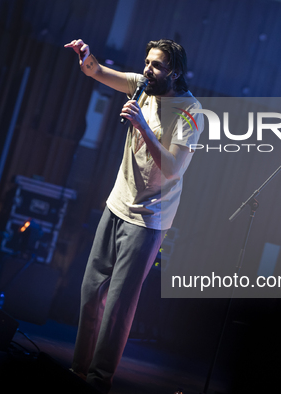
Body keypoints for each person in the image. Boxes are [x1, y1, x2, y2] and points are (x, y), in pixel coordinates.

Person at [64, 38, 203, 393]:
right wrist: (85, 56)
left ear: (174, 72)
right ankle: (78, 370)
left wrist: (141, 125)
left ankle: (98, 380)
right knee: (91, 290)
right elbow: (95, 71)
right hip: (117, 204)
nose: (147, 70)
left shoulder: (190, 111)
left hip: (149, 219)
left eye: (156, 65)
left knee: (118, 308)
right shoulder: (141, 88)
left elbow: (173, 169)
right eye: (147, 62)